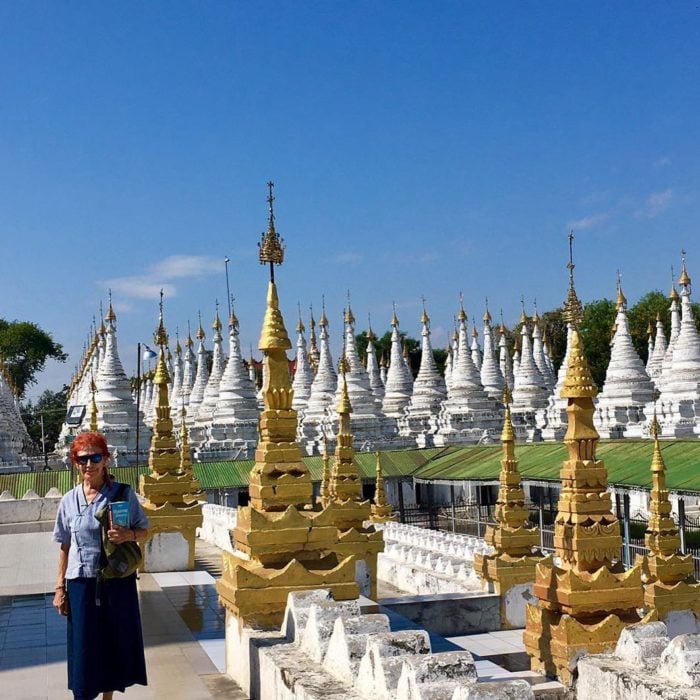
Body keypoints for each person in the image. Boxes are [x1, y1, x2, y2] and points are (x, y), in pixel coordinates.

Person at [52, 432, 149, 700]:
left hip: (115, 582)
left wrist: (128, 535)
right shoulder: (69, 500)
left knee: (112, 642)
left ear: (106, 460)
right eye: (83, 458)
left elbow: (145, 530)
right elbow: (65, 545)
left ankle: (108, 698)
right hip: (81, 583)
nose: (89, 464)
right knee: (84, 647)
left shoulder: (121, 494)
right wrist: (60, 587)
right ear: (75, 463)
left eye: (96, 457)